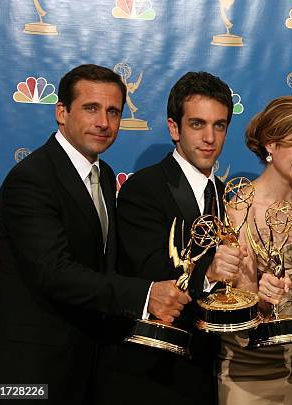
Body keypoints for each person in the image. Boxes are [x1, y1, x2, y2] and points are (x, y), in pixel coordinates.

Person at [0, 64, 189, 404]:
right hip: (30, 372)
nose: (103, 123)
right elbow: (55, 272)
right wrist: (145, 294)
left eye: (113, 112)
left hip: (89, 364)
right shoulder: (32, 179)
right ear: (61, 112)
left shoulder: (105, 175)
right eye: (91, 108)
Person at [95, 71, 239, 404]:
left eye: (219, 126)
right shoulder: (144, 188)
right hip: (149, 371)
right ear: (174, 128)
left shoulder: (224, 195)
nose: (209, 138)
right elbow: (148, 268)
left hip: (205, 367)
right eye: (197, 124)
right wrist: (209, 272)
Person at [218, 96, 292, 404]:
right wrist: (260, 295)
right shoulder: (240, 207)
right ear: (270, 145)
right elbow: (241, 303)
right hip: (251, 362)